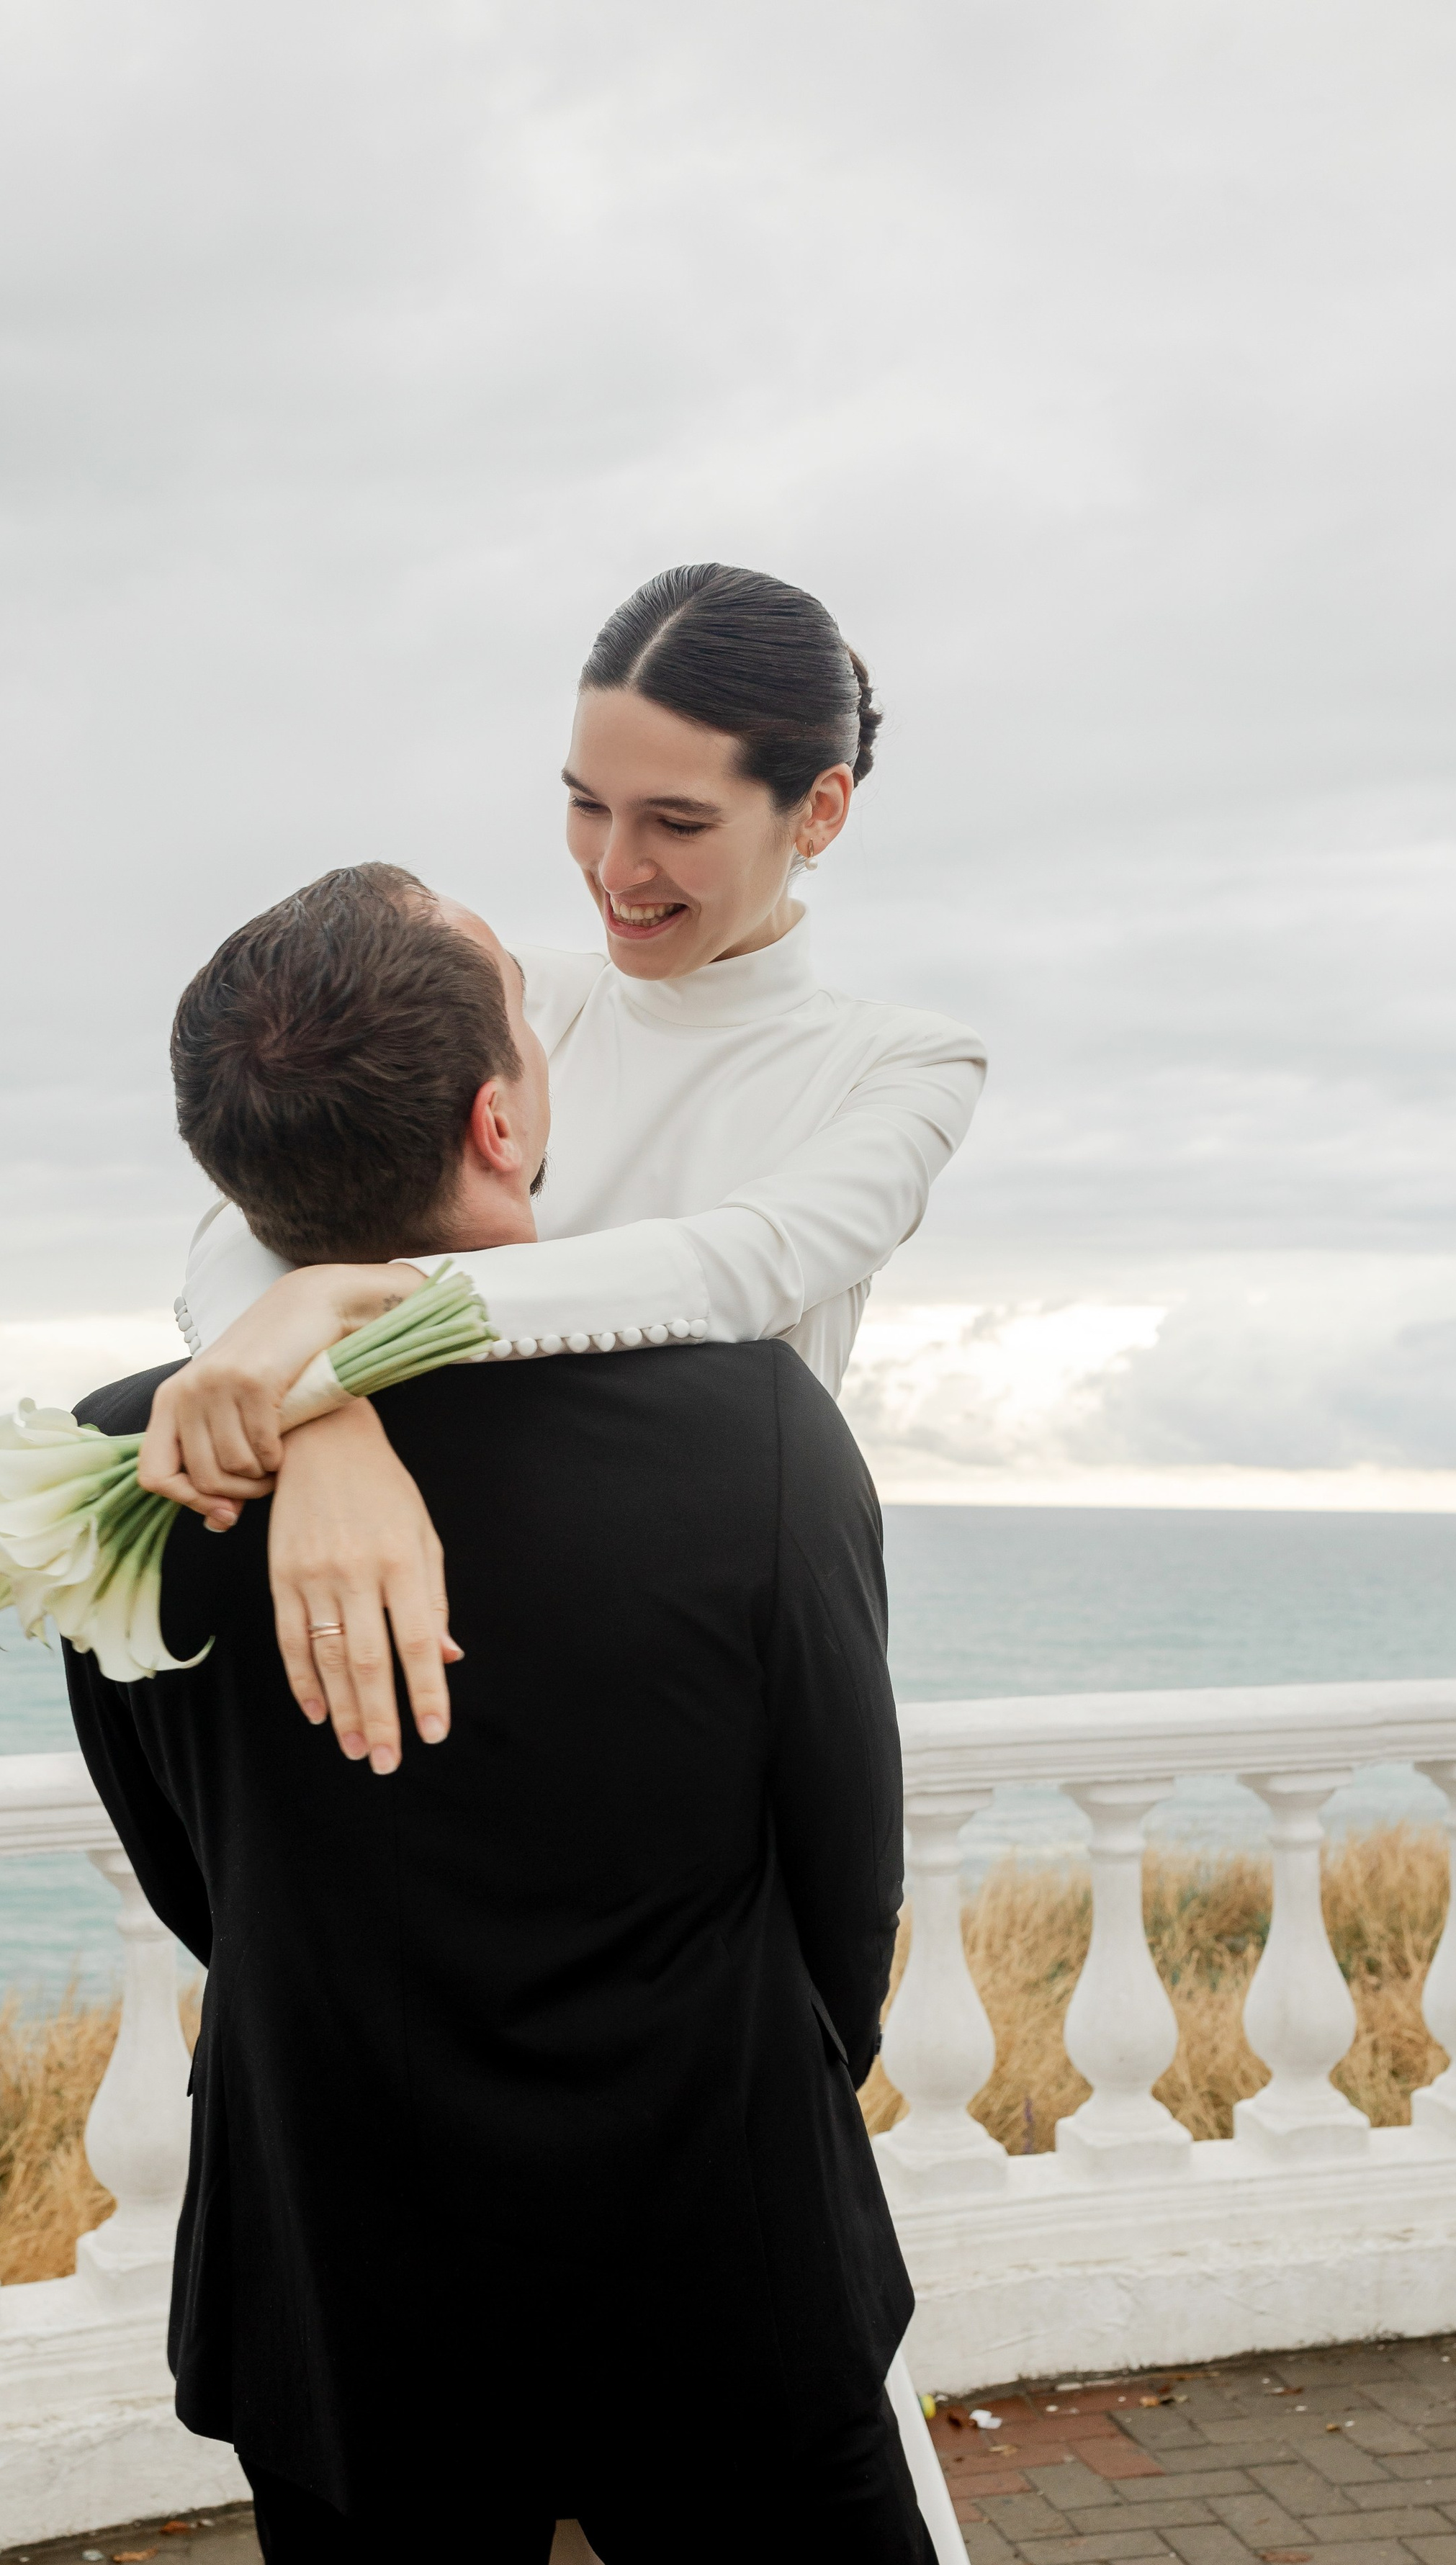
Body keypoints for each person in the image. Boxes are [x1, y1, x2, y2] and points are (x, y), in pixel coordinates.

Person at [63, 865, 979, 2565]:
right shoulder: (756, 1436)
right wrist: (760, 2078)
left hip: (342, 2278)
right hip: (718, 2249)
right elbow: (845, 1875)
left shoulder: (125, 1465)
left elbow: (194, 1873)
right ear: (502, 1119)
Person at [137, 564, 987, 1774]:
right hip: (411, 1671)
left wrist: (343, 1314)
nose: (615, 868)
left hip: (682, 1683)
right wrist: (322, 1421)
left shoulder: (902, 1067)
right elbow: (252, 1219)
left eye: (677, 823)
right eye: (589, 804)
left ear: (821, 810)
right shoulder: (506, 992)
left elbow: (739, 1270)